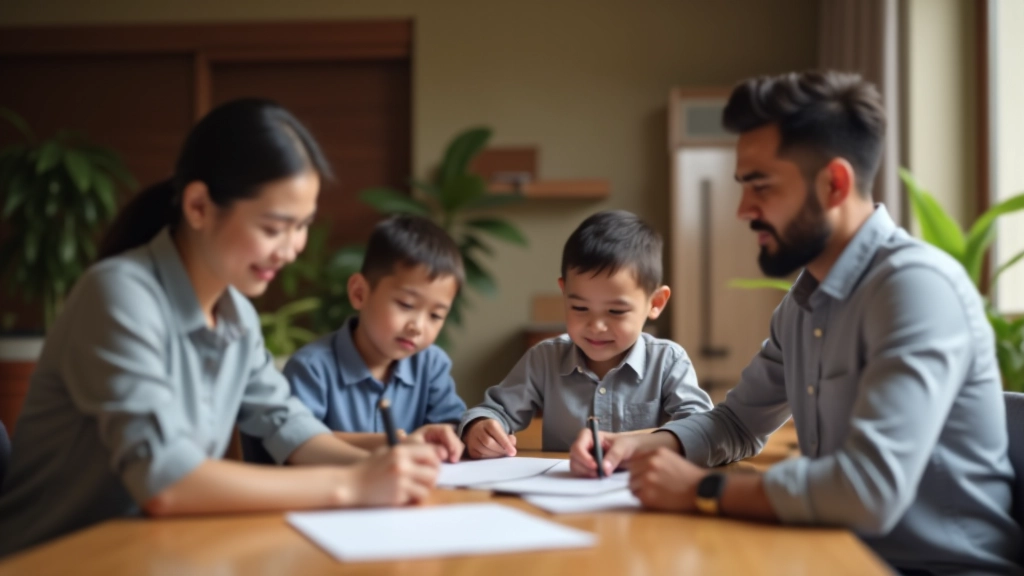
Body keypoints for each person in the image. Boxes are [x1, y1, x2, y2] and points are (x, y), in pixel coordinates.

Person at [571, 71, 1023, 575]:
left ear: (834, 183)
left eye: (761, 186)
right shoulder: (802, 305)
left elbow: (868, 490)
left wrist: (702, 488)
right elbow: (738, 423)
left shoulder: (915, 289)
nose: (744, 210)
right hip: (836, 556)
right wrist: (643, 444)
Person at [0, 99, 459, 557]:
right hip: (53, 558)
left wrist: (393, 455)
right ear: (199, 206)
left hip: (152, 550)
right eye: (275, 227)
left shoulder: (235, 312)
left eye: (302, 226)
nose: (291, 250)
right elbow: (166, 480)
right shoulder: (119, 295)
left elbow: (287, 424)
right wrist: (351, 485)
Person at [459, 210, 712, 456]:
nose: (596, 326)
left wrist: (635, 444)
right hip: (561, 490)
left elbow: (702, 429)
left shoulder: (668, 362)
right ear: (564, 292)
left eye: (615, 311)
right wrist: (480, 429)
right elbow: (497, 411)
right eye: (580, 307)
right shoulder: (544, 359)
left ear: (655, 303)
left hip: (641, 489)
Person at [276, 214, 467, 451]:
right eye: (406, 304)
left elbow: (451, 426)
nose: (417, 326)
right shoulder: (311, 368)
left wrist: (471, 431)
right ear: (359, 293)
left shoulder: (432, 365)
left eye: (435, 316)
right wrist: (393, 443)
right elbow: (297, 441)